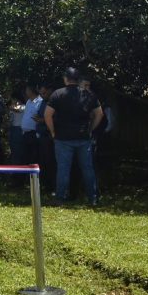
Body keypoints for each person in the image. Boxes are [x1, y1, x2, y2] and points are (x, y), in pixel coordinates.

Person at [44, 67, 102, 206]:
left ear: (66, 79)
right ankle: (93, 198)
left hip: (63, 138)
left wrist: (52, 131)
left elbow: (47, 115)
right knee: (87, 168)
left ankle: (60, 198)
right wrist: (91, 129)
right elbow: (99, 113)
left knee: (63, 169)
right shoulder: (88, 94)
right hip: (83, 137)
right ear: (78, 79)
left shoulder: (58, 94)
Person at [21, 83, 42, 165]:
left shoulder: (40, 102)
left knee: (34, 158)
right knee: (25, 157)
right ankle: (25, 173)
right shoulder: (28, 101)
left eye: (27, 90)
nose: (26, 92)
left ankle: (34, 173)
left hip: (34, 134)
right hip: (26, 134)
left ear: (31, 91)